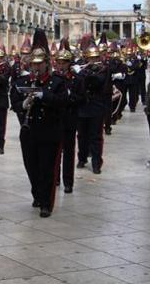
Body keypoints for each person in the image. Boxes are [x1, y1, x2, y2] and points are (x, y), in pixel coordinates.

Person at [20, 29, 67, 218]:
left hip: (49, 130)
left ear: (47, 64)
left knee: (47, 168)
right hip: (29, 130)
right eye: (33, 64)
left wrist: (44, 95)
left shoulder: (57, 82)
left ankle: (46, 203)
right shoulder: (24, 80)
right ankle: (37, 194)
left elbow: (63, 101)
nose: (36, 68)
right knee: (31, 166)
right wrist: (22, 104)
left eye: (39, 64)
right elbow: (14, 100)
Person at [54, 40, 84, 193]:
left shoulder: (77, 79)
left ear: (69, 63)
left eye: (64, 62)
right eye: (59, 62)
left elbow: (81, 98)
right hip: (55, 119)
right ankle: (56, 178)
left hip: (70, 118)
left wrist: (70, 96)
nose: (61, 65)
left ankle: (68, 182)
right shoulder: (53, 78)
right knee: (55, 152)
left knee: (69, 152)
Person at [76, 35, 109, 174]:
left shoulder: (103, 69)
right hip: (83, 106)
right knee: (81, 135)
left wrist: (85, 71)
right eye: (90, 58)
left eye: (95, 58)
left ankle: (96, 163)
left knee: (96, 136)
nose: (92, 61)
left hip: (96, 106)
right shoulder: (82, 68)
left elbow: (98, 81)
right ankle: (82, 158)